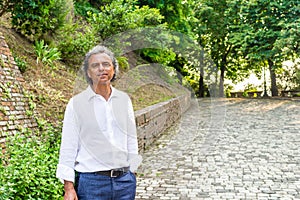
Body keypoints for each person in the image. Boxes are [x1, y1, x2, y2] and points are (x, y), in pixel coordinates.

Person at [56, 45, 141, 200]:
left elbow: (131, 138)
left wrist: (132, 172)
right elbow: (68, 147)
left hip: (124, 182)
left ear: (113, 69)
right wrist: (68, 187)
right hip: (91, 184)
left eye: (106, 64)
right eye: (95, 65)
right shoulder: (77, 104)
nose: (101, 69)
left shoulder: (124, 100)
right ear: (88, 72)